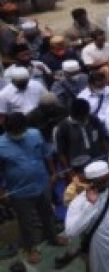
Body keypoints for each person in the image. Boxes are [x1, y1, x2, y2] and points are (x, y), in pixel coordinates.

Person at [0, 113, 68, 264]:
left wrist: (53, 173)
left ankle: (53, 237)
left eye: (21, 130)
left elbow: (47, 154)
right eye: (15, 132)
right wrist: (2, 192)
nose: (19, 134)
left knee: (48, 213)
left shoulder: (35, 134)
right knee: (26, 222)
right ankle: (30, 248)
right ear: (7, 129)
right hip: (20, 191)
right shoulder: (0, 145)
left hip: (42, 183)